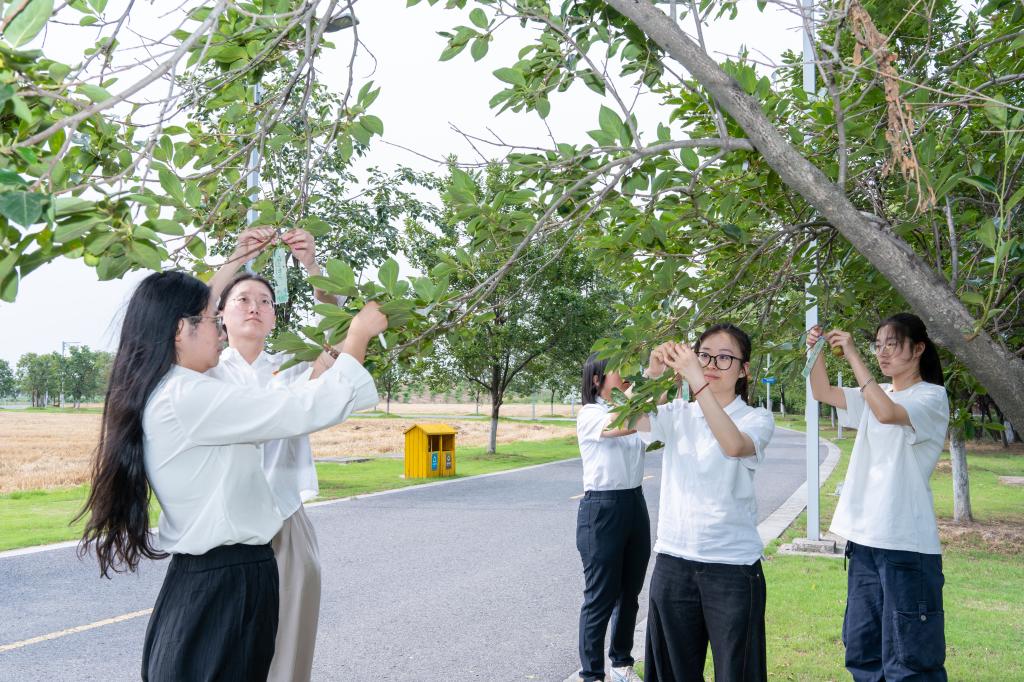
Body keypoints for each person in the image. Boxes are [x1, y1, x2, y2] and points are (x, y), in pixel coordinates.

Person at [76, 268, 387, 681]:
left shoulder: (183, 390)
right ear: (180, 330)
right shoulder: (188, 396)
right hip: (224, 581)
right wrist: (359, 336)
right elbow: (300, 408)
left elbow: (293, 399)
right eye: (211, 320)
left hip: (216, 577)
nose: (220, 331)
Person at [204, 226, 340, 682]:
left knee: (288, 644)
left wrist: (312, 266)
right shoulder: (204, 372)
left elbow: (337, 334)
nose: (254, 307)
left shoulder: (293, 367)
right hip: (223, 525)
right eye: (242, 299)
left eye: (264, 301)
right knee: (223, 649)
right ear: (220, 315)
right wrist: (235, 257)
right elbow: (183, 316)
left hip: (285, 519)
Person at [806, 313, 950, 681]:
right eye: (878, 345)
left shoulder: (931, 397)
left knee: (909, 659)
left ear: (918, 349)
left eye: (892, 345)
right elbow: (822, 392)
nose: (883, 352)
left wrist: (853, 355)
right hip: (864, 541)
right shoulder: (877, 392)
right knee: (863, 651)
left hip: (906, 544)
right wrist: (816, 351)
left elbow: (887, 414)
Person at [638, 324, 775, 682]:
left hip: (732, 567)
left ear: (744, 369)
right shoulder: (677, 412)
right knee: (670, 673)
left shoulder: (757, 418)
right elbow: (630, 419)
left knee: (738, 672)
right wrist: (653, 375)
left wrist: (696, 380)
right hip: (673, 560)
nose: (712, 364)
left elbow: (734, 445)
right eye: (704, 356)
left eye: (724, 357)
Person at [574, 353, 651, 682]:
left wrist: (666, 384)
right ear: (597, 379)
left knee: (630, 593)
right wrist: (650, 379)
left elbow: (650, 424)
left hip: (635, 504)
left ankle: (621, 664)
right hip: (602, 509)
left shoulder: (631, 408)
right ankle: (592, 675)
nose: (629, 375)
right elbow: (620, 424)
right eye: (622, 370)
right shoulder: (590, 414)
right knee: (600, 597)